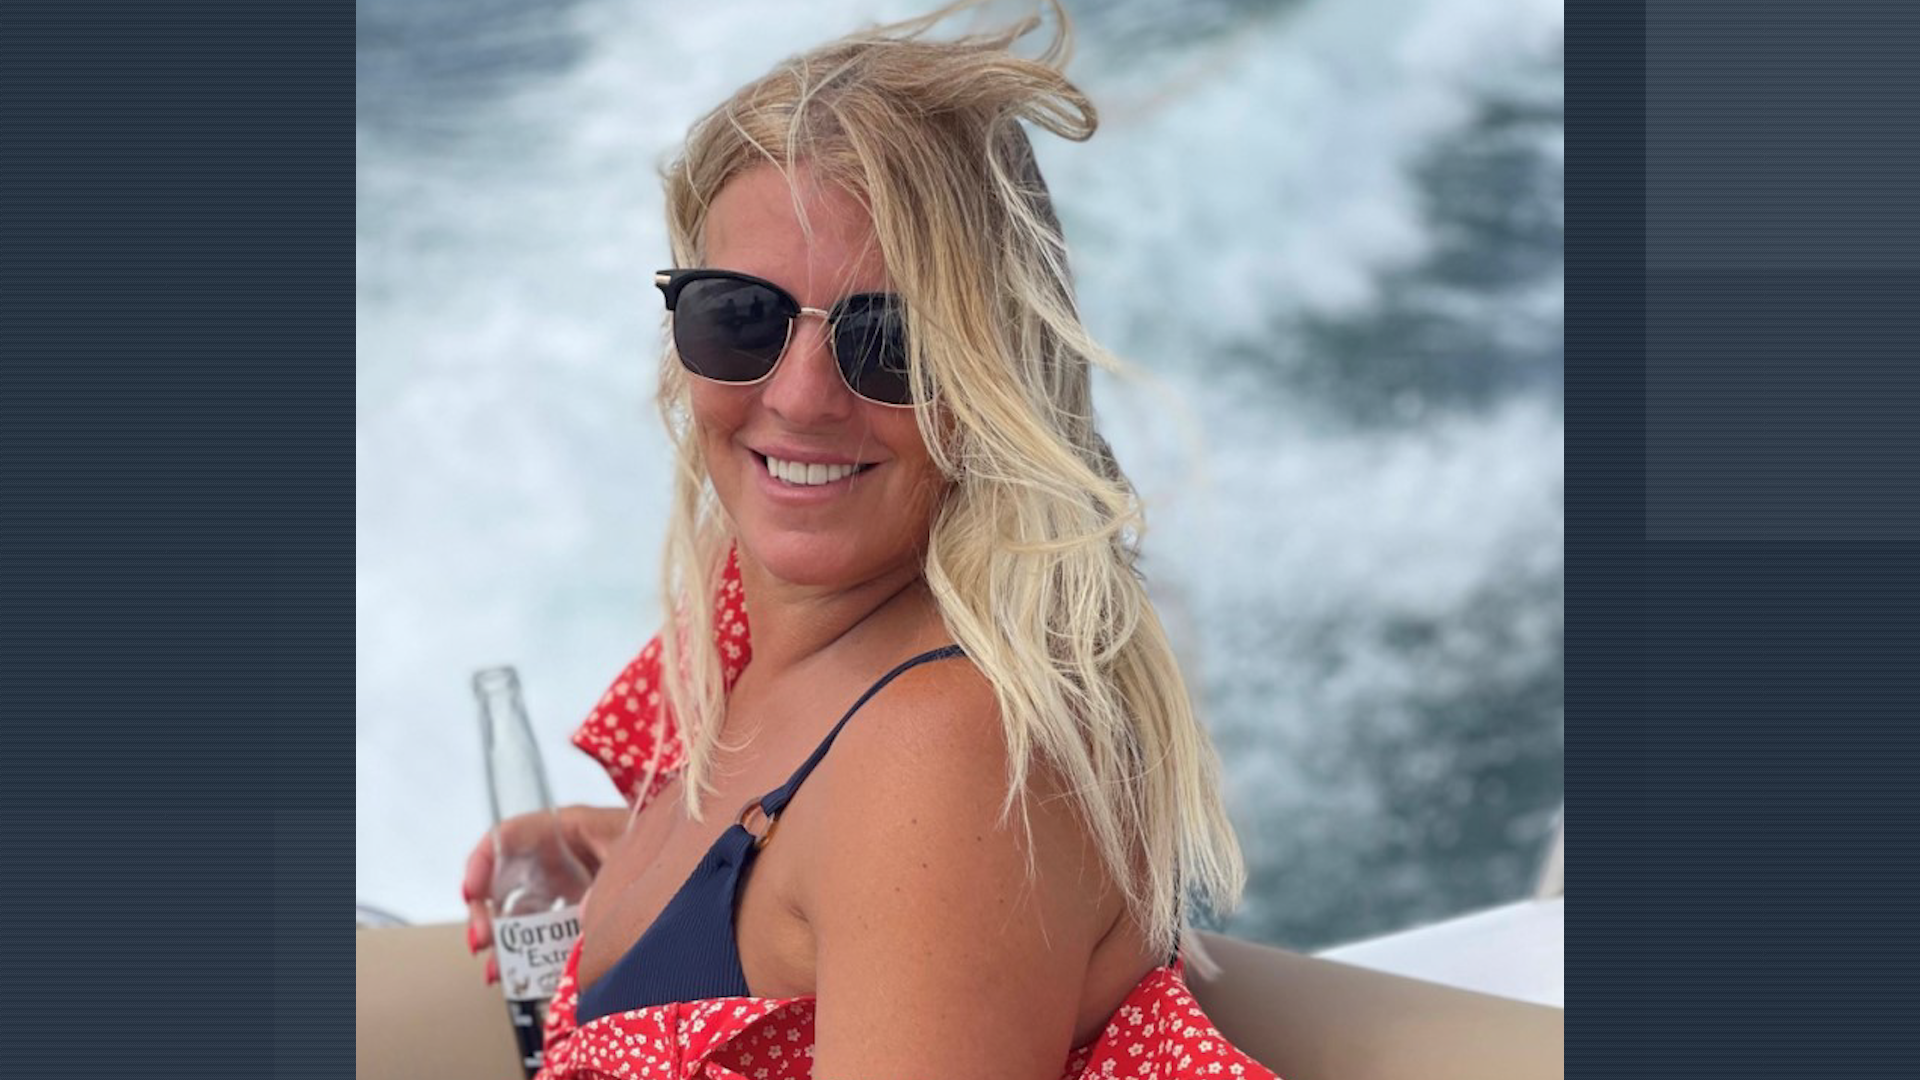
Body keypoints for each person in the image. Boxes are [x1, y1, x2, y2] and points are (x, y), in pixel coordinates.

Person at [463, 3, 1274, 1076]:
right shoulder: (745, 621)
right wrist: (636, 880)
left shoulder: (952, 756)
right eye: (740, 317)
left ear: (998, 376)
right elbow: (824, 897)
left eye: (890, 341)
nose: (801, 398)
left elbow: (913, 859)